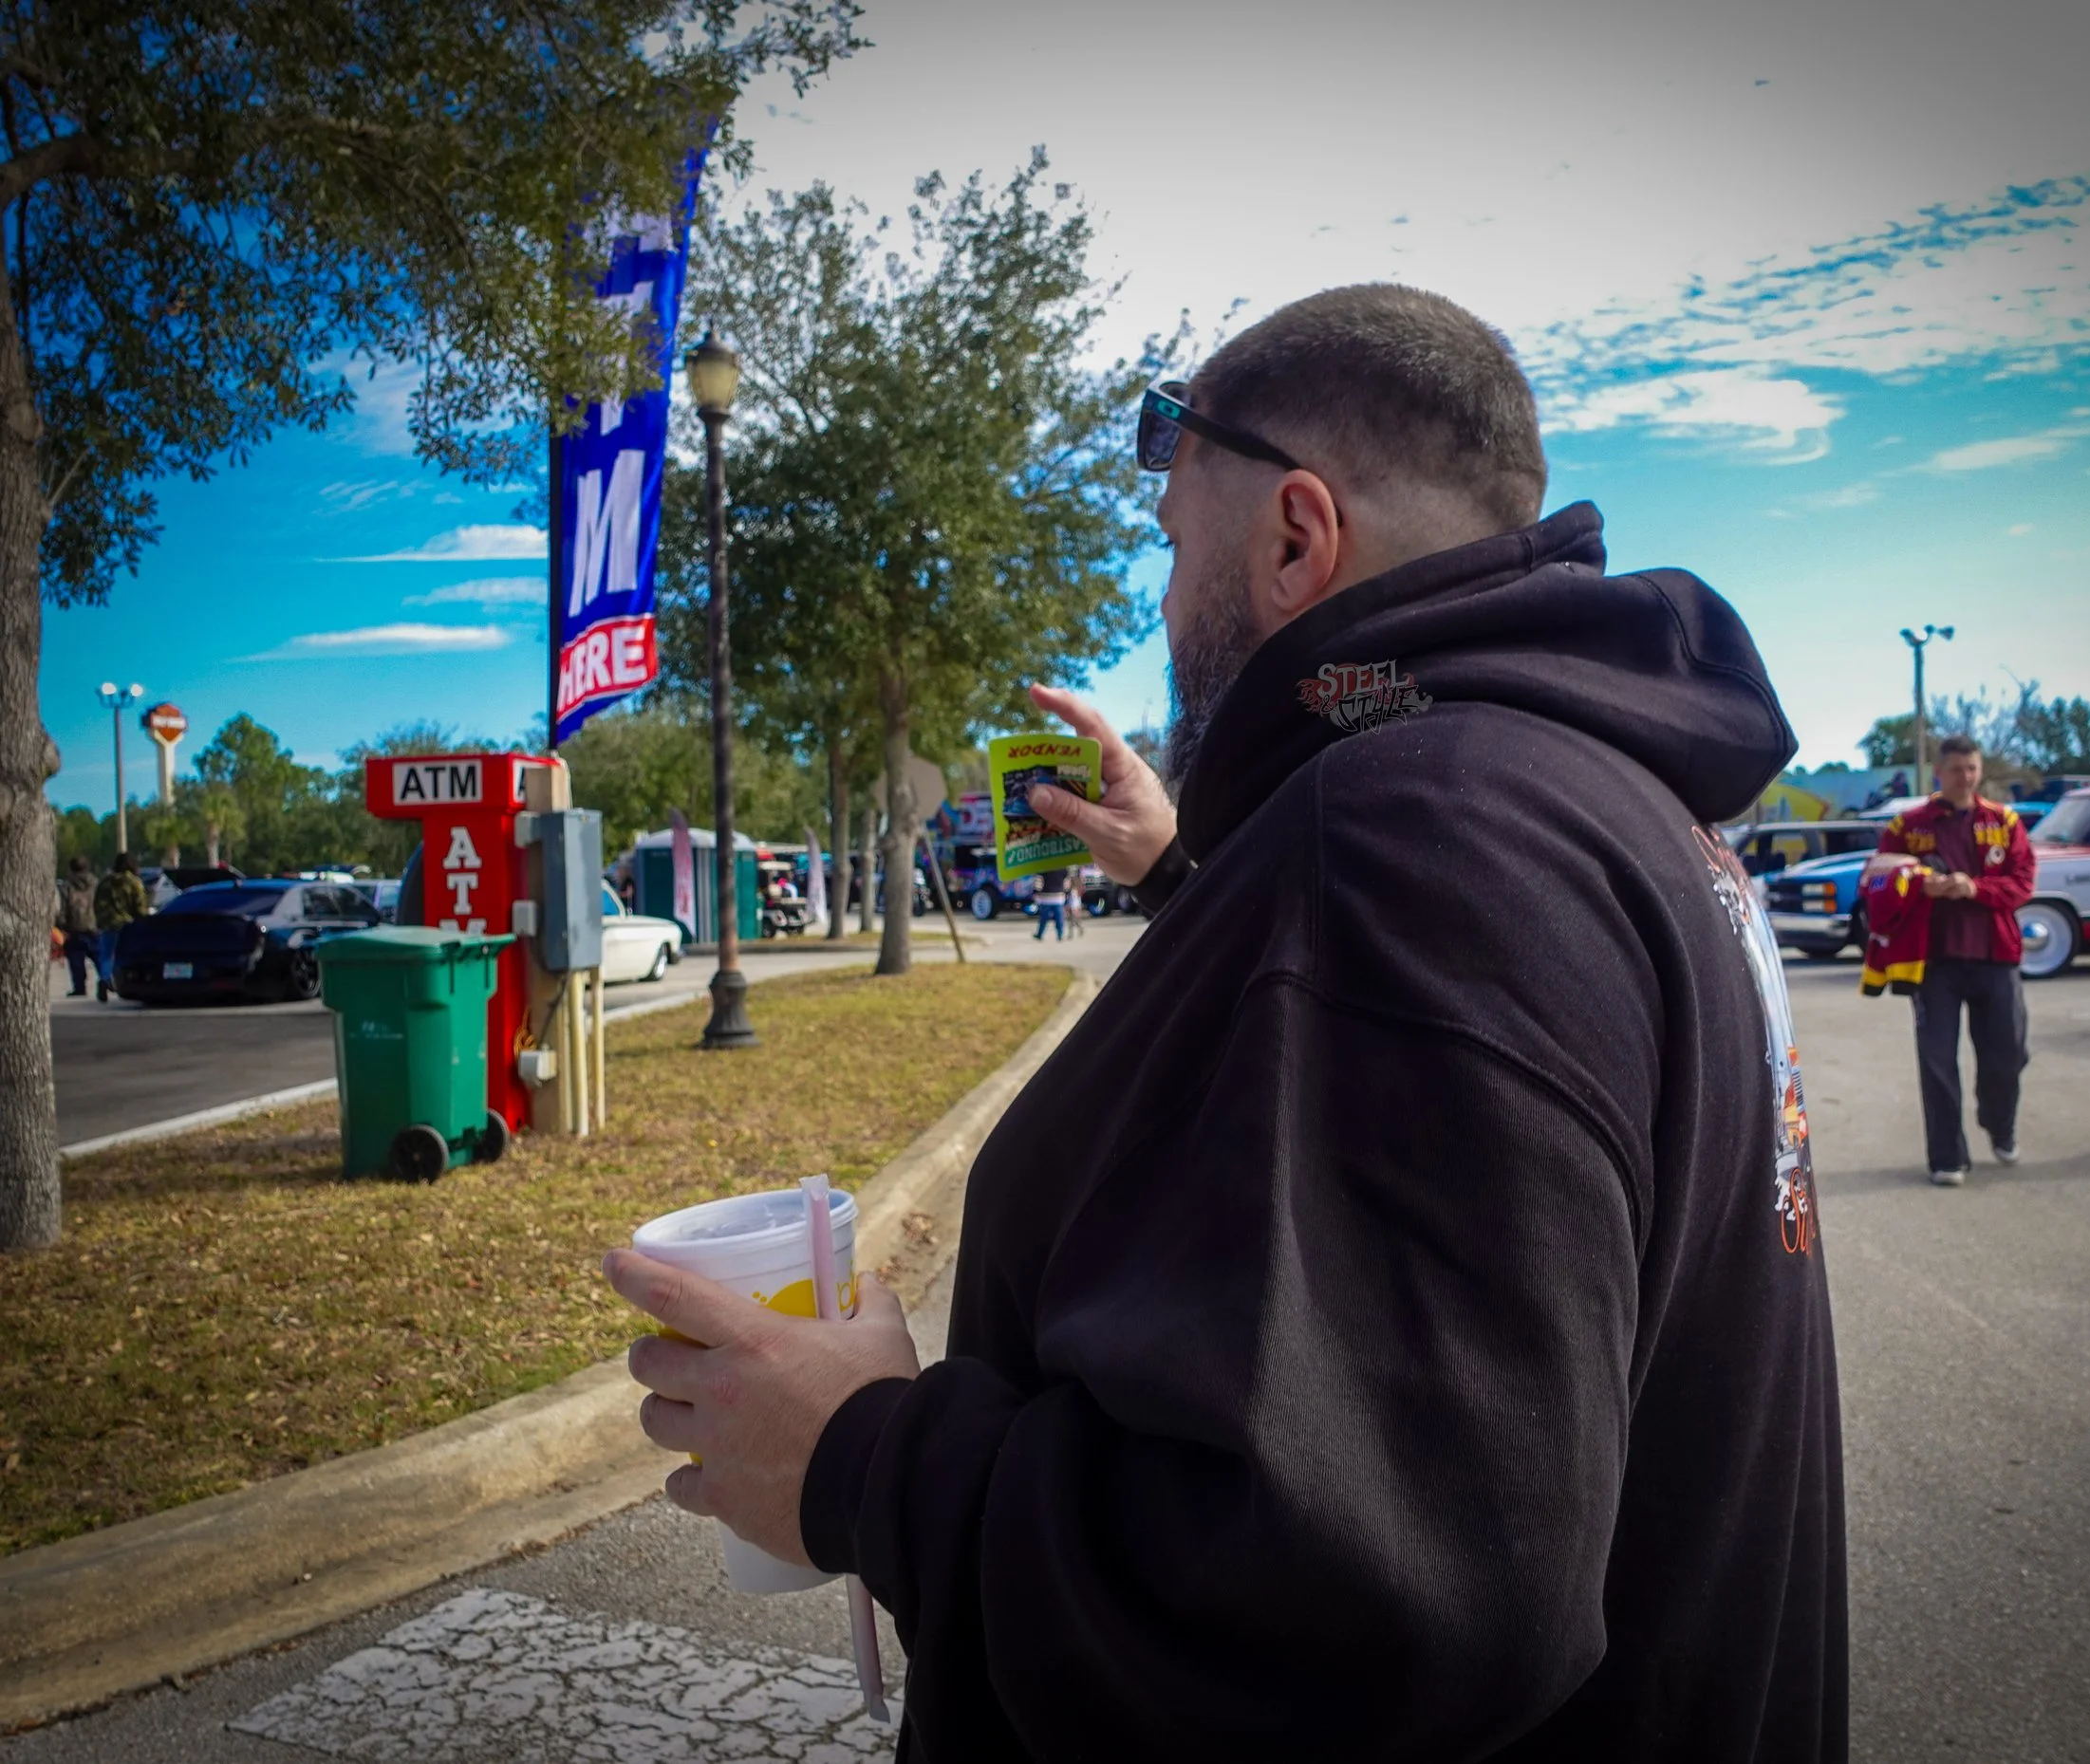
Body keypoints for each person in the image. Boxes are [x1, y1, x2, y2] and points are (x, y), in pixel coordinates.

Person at [605, 286, 1845, 1759]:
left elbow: (1370, 1595)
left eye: (1179, 544)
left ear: (1294, 536)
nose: (1165, 597)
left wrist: (863, 1455)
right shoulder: (1586, 798)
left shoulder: (1417, 839)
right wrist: (1197, 871)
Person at [1875, 733, 2037, 1184]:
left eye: (1971, 769)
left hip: (1996, 957)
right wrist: (1918, 882)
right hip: (1933, 963)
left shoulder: (2004, 821)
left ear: (1979, 770)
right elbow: (1879, 879)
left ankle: (1999, 1124)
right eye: (1955, 770)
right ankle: (1947, 1157)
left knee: (2008, 1055)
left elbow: (2023, 882)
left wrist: (1975, 888)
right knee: (1937, 1061)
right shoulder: (1908, 825)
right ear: (1938, 773)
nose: (1964, 777)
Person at [92, 850, 150, 1004]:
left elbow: (97, 903)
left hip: (107, 923)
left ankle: (104, 979)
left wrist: (99, 920)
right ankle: (119, 980)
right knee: (122, 955)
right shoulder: (134, 882)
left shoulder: (105, 882)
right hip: (127, 924)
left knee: (106, 956)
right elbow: (140, 906)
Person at [54, 856, 100, 997]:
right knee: (99, 957)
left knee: (76, 960)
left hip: (73, 928)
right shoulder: (96, 884)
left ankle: (80, 987)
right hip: (94, 926)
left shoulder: (67, 886)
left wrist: (61, 925)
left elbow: (62, 909)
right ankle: (107, 980)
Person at [1031, 867, 1069, 941]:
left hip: (1045, 897)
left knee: (1043, 918)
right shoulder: (1063, 869)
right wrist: (1067, 893)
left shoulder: (1043, 868)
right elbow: (1066, 883)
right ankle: (1060, 935)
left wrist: (1035, 892)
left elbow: (1038, 883)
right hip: (1058, 897)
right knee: (1059, 918)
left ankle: (1040, 934)